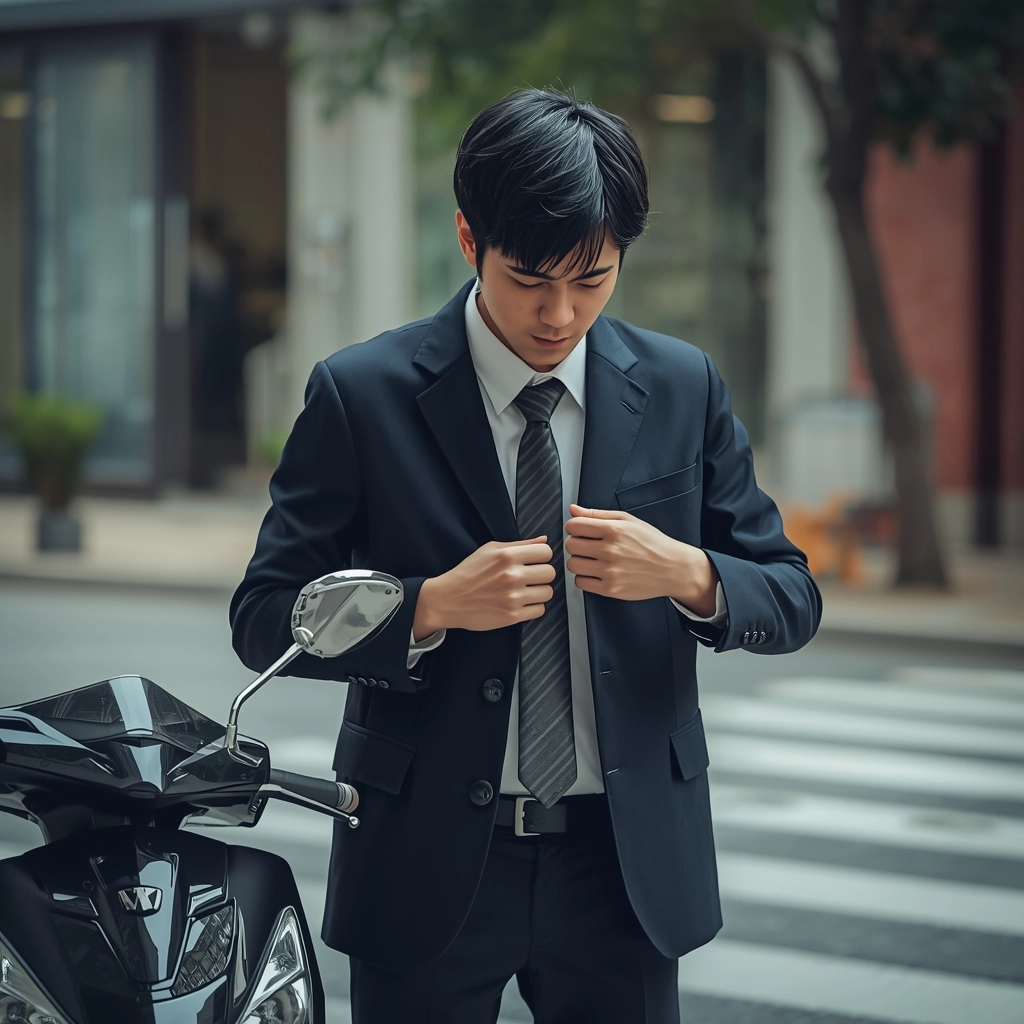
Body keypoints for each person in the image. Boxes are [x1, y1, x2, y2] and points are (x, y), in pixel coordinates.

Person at [230, 88, 821, 1024]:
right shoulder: (362, 394)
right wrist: (424, 606)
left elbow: (791, 596)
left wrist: (687, 574)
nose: (559, 314)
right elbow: (263, 617)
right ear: (470, 241)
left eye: (592, 280)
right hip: (426, 863)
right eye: (530, 279)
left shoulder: (679, 385)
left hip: (621, 867)